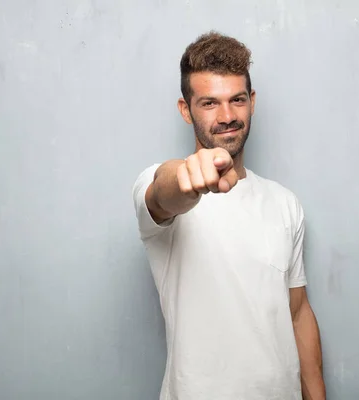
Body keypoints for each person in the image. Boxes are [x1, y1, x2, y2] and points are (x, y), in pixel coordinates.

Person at [132, 31, 325, 400]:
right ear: (185, 109)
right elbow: (163, 192)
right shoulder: (159, 188)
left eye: (237, 100)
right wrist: (187, 176)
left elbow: (298, 313)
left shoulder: (285, 203)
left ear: (251, 102)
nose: (227, 116)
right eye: (209, 103)